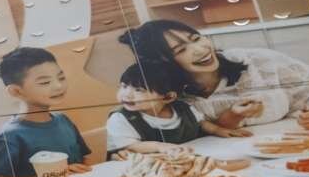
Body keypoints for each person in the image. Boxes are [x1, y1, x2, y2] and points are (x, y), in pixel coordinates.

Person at [119, 20, 309, 127]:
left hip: (300, 146)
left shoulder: (257, 62)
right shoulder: (168, 95)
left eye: (196, 38)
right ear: (165, 63)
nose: (200, 49)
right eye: (181, 50)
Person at [0, 47, 95, 177]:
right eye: (45, 82)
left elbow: (85, 160)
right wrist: (55, 175)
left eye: (61, 78)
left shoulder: (63, 120)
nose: (58, 86)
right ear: (16, 91)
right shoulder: (10, 135)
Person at [105, 62, 249, 155]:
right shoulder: (121, 118)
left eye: (139, 90)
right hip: (151, 168)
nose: (127, 95)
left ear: (168, 97)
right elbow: (130, 146)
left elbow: (201, 123)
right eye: (124, 86)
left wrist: (218, 130)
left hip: (192, 157)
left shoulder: (183, 108)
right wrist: (160, 146)